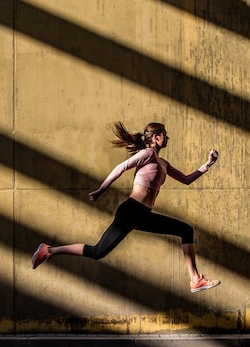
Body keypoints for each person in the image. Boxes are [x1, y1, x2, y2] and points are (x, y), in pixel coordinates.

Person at [32, 121, 221, 293]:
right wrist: (100, 190)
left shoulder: (163, 163)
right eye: (165, 134)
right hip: (131, 211)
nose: (168, 138)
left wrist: (207, 164)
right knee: (97, 252)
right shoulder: (147, 154)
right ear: (156, 137)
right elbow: (121, 168)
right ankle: (49, 250)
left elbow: (186, 179)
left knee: (185, 230)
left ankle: (195, 279)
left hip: (144, 214)